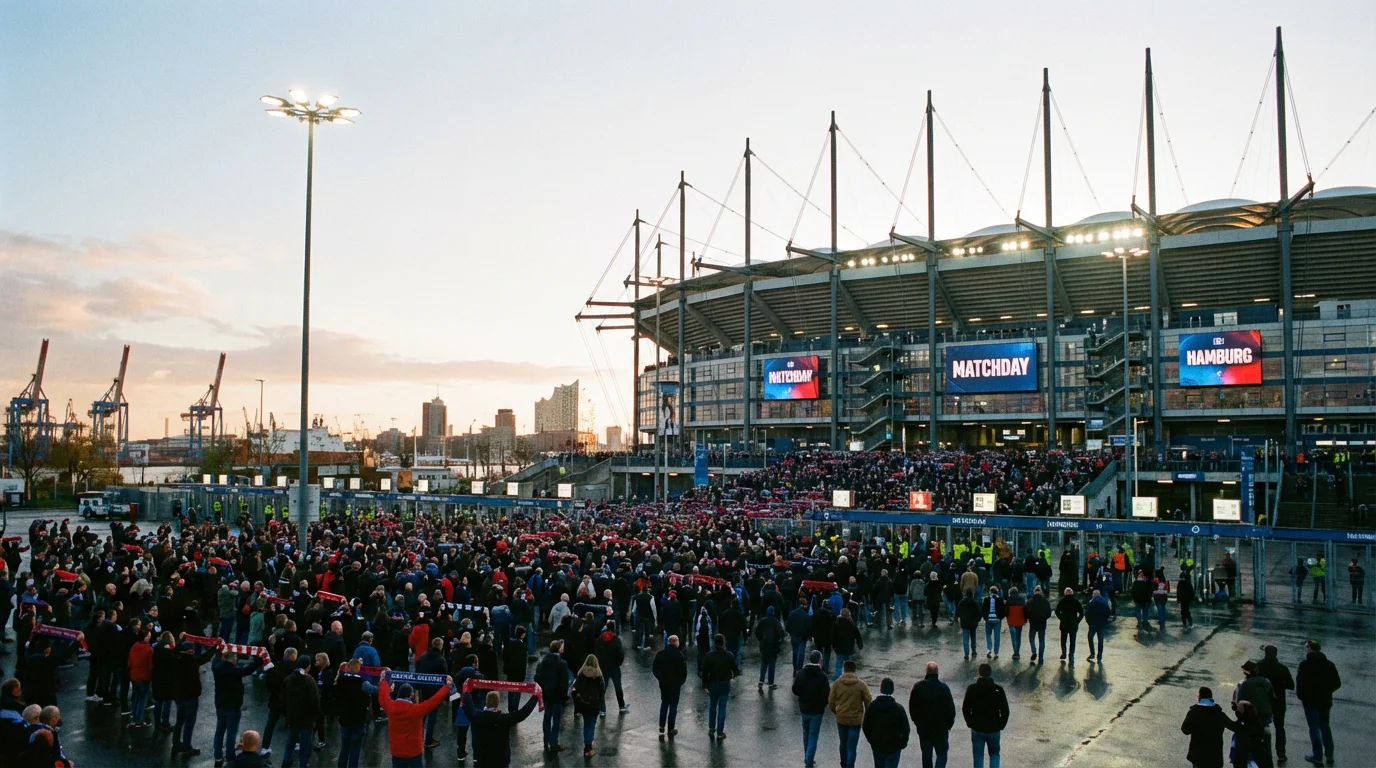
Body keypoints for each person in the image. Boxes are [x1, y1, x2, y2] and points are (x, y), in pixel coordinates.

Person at [377, 670, 453, 768]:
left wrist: (384, 680)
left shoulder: (390, 707)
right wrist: (447, 687)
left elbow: (383, 696)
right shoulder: (416, 710)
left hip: (397, 751)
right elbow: (433, 701)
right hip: (414, 751)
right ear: (411, 695)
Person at [460, 689, 539, 768]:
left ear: (486, 701)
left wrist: (466, 693)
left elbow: (468, 707)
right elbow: (523, 713)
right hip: (501, 761)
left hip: (482, 760)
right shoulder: (504, 719)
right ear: (497, 703)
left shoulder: (477, 717)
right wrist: (535, 697)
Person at [211, 650, 263, 766]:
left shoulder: (216, 667)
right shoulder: (234, 671)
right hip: (233, 706)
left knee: (219, 731)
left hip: (220, 704)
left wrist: (219, 651)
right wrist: (258, 660)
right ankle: (230, 757)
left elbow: (216, 659)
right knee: (231, 733)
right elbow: (247, 670)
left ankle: (218, 756)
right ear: (233, 660)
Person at [1296, 639, 1341, 767]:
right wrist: (1326, 691)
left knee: (1314, 727)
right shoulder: (1329, 664)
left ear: (1310, 649)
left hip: (1310, 701)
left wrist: (1302, 695)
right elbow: (1337, 683)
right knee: (1325, 726)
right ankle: (1329, 754)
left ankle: (1317, 756)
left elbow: (1300, 682)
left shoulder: (1305, 665)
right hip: (1325, 701)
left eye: (1307, 648)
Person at [172, 639, 217, 757]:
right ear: (190, 651)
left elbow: (175, 651)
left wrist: (181, 640)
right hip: (190, 697)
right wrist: (215, 647)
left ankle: (176, 743)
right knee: (189, 723)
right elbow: (206, 657)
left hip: (179, 696)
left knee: (179, 721)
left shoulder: (177, 660)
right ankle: (187, 746)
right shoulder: (193, 661)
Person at [909, 662, 956, 768]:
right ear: (937, 672)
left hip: (924, 729)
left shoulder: (918, 687)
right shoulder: (944, 688)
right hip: (941, 729)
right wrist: (948, 725)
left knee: (926, 755)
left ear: (926, 671)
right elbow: (951, 710)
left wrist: (917, 722)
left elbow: (912, 708)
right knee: (942, 753)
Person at [962, 663, 1009, 768]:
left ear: (979, 673)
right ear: (990, 673)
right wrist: (1001, 725)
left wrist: (970, 722)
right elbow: (1005, 711)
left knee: (978, 756)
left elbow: (965, 708)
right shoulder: (998, 689)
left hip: (977, 728)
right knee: (994, 755)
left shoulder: (972, 688)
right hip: (994, 728)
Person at [333, 659, 378, 768]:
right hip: (358, 720)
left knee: (344, 748)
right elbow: (374, 691)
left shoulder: (340, 681)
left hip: (344, 719)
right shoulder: (362, 682)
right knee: (355, 749)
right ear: (358, 669)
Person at [279, 656, 322, 768]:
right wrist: (315, 717)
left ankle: (286, 761)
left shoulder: (288, 679)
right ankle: (303, 764)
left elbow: (282, 698)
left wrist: (286, 713)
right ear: (308, 667)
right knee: (305, 744)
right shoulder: (310, 681)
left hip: (292, 716)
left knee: (291, 740)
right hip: (307, 719)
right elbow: (315, 702)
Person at [828, 659, 872, 768]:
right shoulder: (861, 685)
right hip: (855, 720)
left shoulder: (837, 684)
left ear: (844, 669)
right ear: (854, 670)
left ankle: (843, 764)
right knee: (852, 747)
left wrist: (837, 712)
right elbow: (868, 700)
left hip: (841, 718)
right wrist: (866, 716)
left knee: (843, 743)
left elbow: (831, 701)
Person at [1257, 644, 1295, 765]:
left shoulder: (1259, 666)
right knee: (1279, 727)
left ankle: (1262, 749)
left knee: (1262, 726)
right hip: (1279, 701)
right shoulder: (1282, 668)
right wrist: (1280, 685)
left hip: (1263, 701)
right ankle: (1281, 753)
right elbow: (1291, 685)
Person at [1181, 685, 1237, 768]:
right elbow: (1233, 726)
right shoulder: (1219, 714)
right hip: (1215, 756)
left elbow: (1185, 730)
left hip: (1198, 754)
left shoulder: (1194, 712)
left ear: (1199, 697)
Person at [793, 649, 831, 768]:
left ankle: (807, 757)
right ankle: (809, 761)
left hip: (804, 709)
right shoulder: (822, 677)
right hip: (817, 711)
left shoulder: (801, 673)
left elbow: (795, 689)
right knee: (813, 736)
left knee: (806, 734)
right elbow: (827, 695)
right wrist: (822, 705)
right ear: (820, 661)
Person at [533, 640, 571, 754]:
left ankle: (546, 739)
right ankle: (553, 742)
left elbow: (537, 677)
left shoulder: (543, 662)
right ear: (559, 649)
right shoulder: (562, 663)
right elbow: (564, 682)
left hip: (546, 694)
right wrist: (564, 696)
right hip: (557, 696)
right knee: (556, 719)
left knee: (547, 717)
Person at [863, 677, 909, 768]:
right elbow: (906, 729)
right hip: (893, 747)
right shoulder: (899, 709)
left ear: (881, 689)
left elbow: (866, 726)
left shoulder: (872, 707)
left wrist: (872, 741)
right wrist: (901, 744)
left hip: (878, 745)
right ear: (892, 690)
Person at [700, 633, 739, 741]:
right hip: (724, 683)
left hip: (713, 683)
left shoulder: (709, 656)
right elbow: (735, 669)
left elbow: (705, 672)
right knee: (722, 708)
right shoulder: (728, 655)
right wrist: (733, 675)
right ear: (723, 643)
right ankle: (720, 732)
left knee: (712, 705)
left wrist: (705, 685)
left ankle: (711, 728)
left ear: (714, 643)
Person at [652, 635, 688, 738]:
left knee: (664, 702)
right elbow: (684, 672)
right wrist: (680, 682)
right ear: (676, 642)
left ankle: (661, 725)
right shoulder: (679, 655)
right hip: (675, 684)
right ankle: (671, 728)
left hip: (663, 683)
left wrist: (660, 678)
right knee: (673, 706)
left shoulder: (660, 654)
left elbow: (654, 668)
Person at [571, 654, 606, 758]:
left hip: (584, 704)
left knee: (586, 725)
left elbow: (574, 690)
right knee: (592, 725)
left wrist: (578, 701)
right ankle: (589, 746)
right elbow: (602, 691)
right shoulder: (599, 676)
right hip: (594, 705)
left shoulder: (581, 675)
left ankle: (586, 744)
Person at [594, 621, 627, 715]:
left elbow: (596, 651)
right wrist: (618, 664)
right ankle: (621, 706)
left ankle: (602, 709)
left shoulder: (600, 639)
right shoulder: (616, 639)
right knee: (618, 687)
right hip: (614, 667)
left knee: (603, 688)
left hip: (603, 667)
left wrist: (600, 661)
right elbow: (621, 654)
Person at [755, 605, 785, 689]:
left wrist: (761, 640)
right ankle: (771, 683)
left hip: (764, 645)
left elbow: (757, 632)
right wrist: (779, 643)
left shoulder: (762, 621)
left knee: (764, 663)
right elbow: (781, 633)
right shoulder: (776, 622)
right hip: (773, 646)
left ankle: (761, 681)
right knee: (772, 664)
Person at [831, 608, 864, 678]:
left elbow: (833, 637)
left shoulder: (836, 624)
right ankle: (849, 678)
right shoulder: (851, 625)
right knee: (849, 666)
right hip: (849, 648)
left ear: (841, 615)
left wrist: (834, 646)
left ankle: (838, 678)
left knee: (838, 665)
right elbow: (858, 635)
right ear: (849, 615)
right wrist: (860, 645)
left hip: (839, 648)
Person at [1055, 588, 1084, 663]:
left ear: (1065, 593)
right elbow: (1081, 612)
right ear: (1072, 593)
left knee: (1063, 640)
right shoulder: (1076, 601)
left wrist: (1061, 618)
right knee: (1072, 641)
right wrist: (1077, 621)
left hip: (1064, 623)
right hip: (1073, 624)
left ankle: (1064, 653)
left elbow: (1057, 611)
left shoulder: (1062, 601)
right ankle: (1071, 654)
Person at [1025, 586, 1051, 665]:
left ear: (1034, 592)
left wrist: (1029, 618)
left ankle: (1034, 651)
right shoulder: (1045, 601)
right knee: (1041, 641)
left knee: (1031, 639)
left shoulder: (1030, 601)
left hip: (1033, 623)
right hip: (1042, 624)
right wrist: (1044, 617)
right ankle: (1041, 658)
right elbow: (1049, 613)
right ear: (1041, 592)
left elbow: (1025, 611)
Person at [1084, 590, 1112, 662]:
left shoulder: (1091, 602)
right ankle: (1099, 656)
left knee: (1090, 638)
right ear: (1099, 595)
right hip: (1101, 624)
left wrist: (1089, 622)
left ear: (1093, 595)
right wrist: (1105, 621)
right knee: (1100, 640)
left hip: (1092, 624)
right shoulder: (1104, 602)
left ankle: (1092, 653)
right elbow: (1108, 613)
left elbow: (1087, 614)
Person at [786, 599, 813, 673]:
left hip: (794, 635)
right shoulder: (807, 616)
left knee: (795, 652)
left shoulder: (792, 613)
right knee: (801, 653)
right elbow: (809, 628)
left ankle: (795, 668)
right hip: (802, 637)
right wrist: (808, 636)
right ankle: (799, 669)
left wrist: (791, 632)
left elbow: (788, 626)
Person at [982, 586, 1007, 659]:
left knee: (988, 634)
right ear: (997, 592)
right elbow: (1004, 611)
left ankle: (989, 649)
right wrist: (1000, 617)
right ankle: (996, 653)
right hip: (997, 620)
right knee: (997, 637)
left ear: (990, 592)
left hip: (989, 619)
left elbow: (983, 609)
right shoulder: (1000, 599)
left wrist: (985, 618)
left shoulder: (986, 599)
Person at [956, 590, 981, 662]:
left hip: (965, 623)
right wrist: (978, 620)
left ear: (965, 594)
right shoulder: (975, 602)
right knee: (973, 638)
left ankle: (966, 654)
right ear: (972, 595)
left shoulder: (961, 602)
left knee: (965, 639)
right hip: (973, 623)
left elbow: (957, 613)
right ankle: (974, 651)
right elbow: (979, 613)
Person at [1005, 588, 1026, 661]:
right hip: (1019, 621)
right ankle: (1017, 652)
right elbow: (1025, 611)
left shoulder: (1009, 600)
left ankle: (1015, 653)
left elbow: (1006, 612)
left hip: (1011, 621)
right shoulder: (1022, 600)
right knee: (1018, 637)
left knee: (1013, 638)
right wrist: (1025, 619)